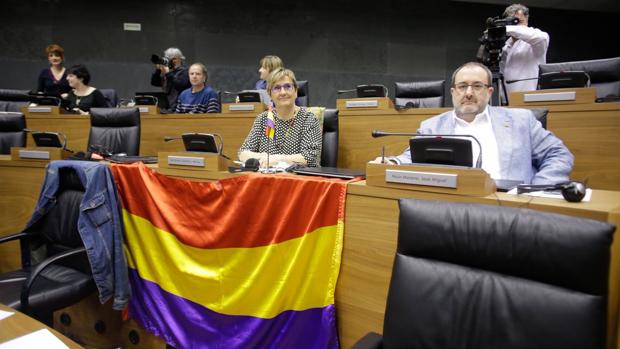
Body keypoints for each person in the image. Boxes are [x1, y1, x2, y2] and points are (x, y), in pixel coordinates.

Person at [381, 62, 573, 185]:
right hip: (450, 206)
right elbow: (414, 157)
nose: (469, 93)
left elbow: (559, 155)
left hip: (510, 207)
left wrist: (536, 190)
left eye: (477, 86)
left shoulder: (521, 120)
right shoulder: (432, 126)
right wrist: (392, 162)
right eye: (462, 86)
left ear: (489, 92)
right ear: (453, 92)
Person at [238, 68, 322, 167]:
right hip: (268, 178)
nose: (283, 92)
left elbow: (310, 157)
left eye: (287, 87)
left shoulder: (308, 118)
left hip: (298, 179)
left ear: (296, 91)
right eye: (277, 88)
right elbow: (243, 153)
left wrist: (277, 159)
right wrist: (263, 157)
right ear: (270, 94)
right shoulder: (263, 119)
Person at [501, 3, 549, 95]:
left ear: (527, 20)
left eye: (519, 21)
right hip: (509, 101)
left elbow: (542, 38)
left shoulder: (536, 41)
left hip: (530, 99)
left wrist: (507, 29)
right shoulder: (506, 46)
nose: (516, 26)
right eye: (513, 23)